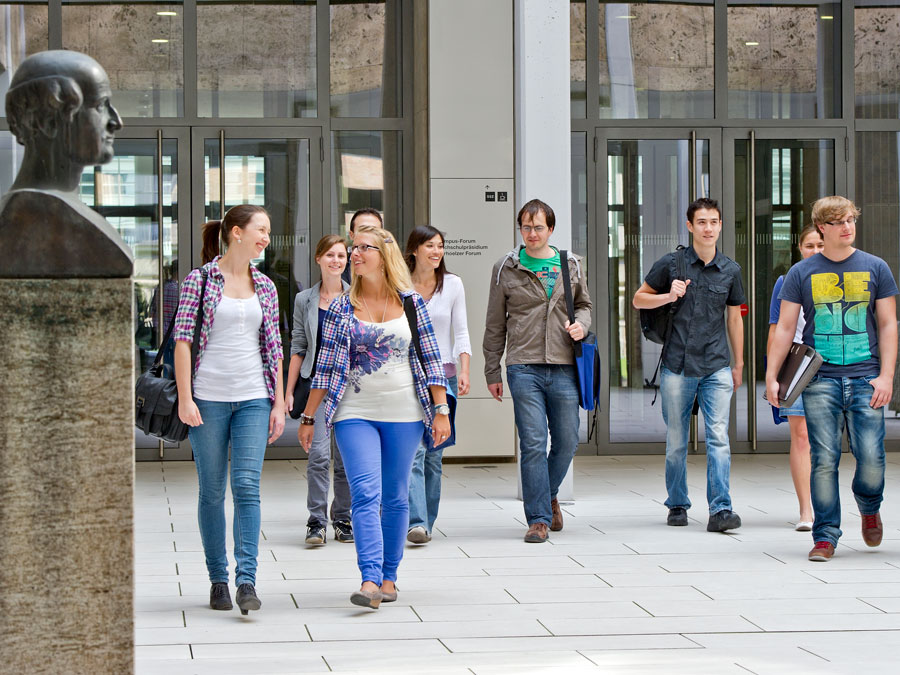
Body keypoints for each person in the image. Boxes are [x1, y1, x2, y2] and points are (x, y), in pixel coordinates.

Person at [299, 225, 450, 609]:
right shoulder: (339, 308)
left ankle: (388, 577)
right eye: (353, 248)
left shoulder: (411, 303)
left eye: (363, 248)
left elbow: (431, 359)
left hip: (406, 412)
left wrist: (441, 410)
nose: (354, 254)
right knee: (366, 493)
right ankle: (368, 580)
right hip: (354, 411)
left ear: (384, 255)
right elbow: (325, 368)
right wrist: (308, 416)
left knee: (396, 496)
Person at [766, 196, 898, 562]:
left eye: (851, 220)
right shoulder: (801, 273)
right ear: (822, 228)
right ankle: (825, 536)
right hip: (820, 380)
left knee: (871, 458)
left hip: (866, 378)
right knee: (824, 459)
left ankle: (869, 507)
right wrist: (772, 377)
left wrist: (886, 376)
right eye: (838, 222)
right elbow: (785, 328)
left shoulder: (876, 267)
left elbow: (888, 324)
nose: (847, 227)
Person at [173, 204, 285, 614]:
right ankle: (217, 578)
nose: (266, 238)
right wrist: (185, 397)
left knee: (247, 488)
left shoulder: (266, 287)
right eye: (261, 230)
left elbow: (274, 347)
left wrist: (277, 401)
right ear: (236, 233)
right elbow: (182, 341)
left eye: (268, 232)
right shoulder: (199, 281)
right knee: (212, 490)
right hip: (207, 397)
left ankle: (247, 580)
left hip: (253, 396)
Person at [632, 197, 746, 533]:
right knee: (677, 440)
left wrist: (738, 363)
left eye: (713, 222)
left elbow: (735, 319)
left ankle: (721, 509)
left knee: (718, 438)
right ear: (690, 225)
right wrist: (668, 296)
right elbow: (639, 298)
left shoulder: (730, 270)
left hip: (716, 366)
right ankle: (677, 504)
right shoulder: (672, 264)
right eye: (702, 222)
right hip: (677, 366)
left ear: (721, 225)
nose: (708, 228)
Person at [483, 199, 592, 544]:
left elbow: (585, 305)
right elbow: (494, 323)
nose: (532, 234)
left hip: (563, 364)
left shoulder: (570, 264)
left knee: (567, 440)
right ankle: (539, 519)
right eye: (526, 228)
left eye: (539, 227)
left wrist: (582, 325)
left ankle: (548, 493)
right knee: (532, 442)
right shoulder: (505, 268)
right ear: (520, 229)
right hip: (523, 365)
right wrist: (492, 371)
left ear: (551, 229)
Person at [0, 49, 131, 277]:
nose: (116, 122)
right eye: (100, 105)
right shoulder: (27, 217)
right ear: (49, 120)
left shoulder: (76, 220)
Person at [404, 225, 472, 544]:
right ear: (414, 249)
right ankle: (416, 522)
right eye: (429, 245)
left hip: (443, 377)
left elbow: (461, 332)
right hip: (407, 376)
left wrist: (464, 371)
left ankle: (426, 521)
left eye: (440, 246)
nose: (436, 251)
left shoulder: (453, 284)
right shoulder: (400, 284)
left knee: (434, 453)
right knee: (415, 452)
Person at [286, 235, 353, 546]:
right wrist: (288, 391)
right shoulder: (305, 300)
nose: (336, 261)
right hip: (317, 387)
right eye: (330, 255)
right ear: (318, 259)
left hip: (351, 387)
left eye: (341, 255)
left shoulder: (358, 296)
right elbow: (298, 346)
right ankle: (316, 521)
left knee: (345, 459)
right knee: (318, 456)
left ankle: (343, 518)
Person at [766, 224, 824, 531]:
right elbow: (777, 329)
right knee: (800, 437)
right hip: (799, 365)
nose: (815, 250)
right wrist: (772, 375)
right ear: (799, 249)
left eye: (820, 245)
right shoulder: (787, 281)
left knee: (822, 441)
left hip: (832, 366)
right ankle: (806, 511)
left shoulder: (838, 278)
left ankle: (826, 505)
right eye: (809, 246)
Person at [342, 208, 384, 284]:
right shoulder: (339, 268)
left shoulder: (392, 270)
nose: (368, 234)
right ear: (351, 235)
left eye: (374, 230)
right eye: (362, 230)